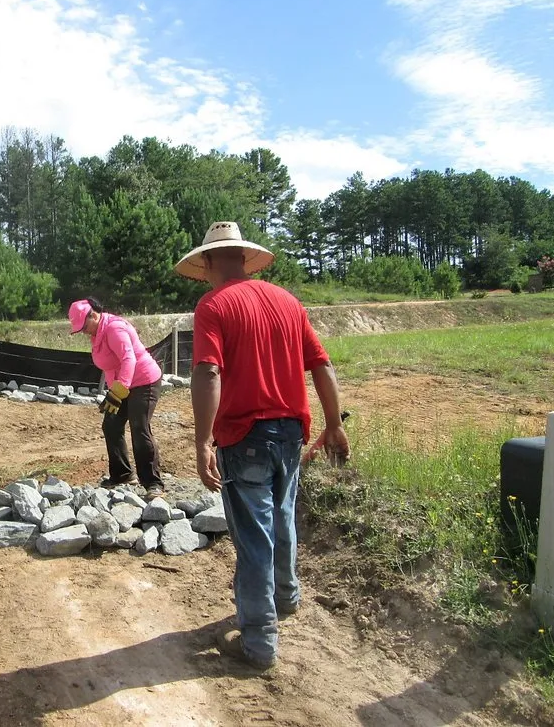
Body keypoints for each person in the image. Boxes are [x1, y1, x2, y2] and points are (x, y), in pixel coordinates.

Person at [175, 221, 349, 671]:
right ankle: (286, 598)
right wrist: (334, 424)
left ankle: (259, 641)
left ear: (209, 261)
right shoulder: (287, 301)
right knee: (283, 516)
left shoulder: (212, 305)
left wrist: (201, 442)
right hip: (292, 432)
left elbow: (208, 372)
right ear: (245, 258)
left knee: (254, 537)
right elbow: (322, 364)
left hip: (243, 436)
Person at [68, 297, 166, 499]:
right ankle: (122, 475)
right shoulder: (97, 332)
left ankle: (153, 484)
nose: (83, 331)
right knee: (111, 425)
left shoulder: (114, 329)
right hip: (123, 386)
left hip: (144, 381)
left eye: (84, 326)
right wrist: (115, 391)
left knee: (140, 428)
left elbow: (128, 359)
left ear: (93, 315)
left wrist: (119, 391)